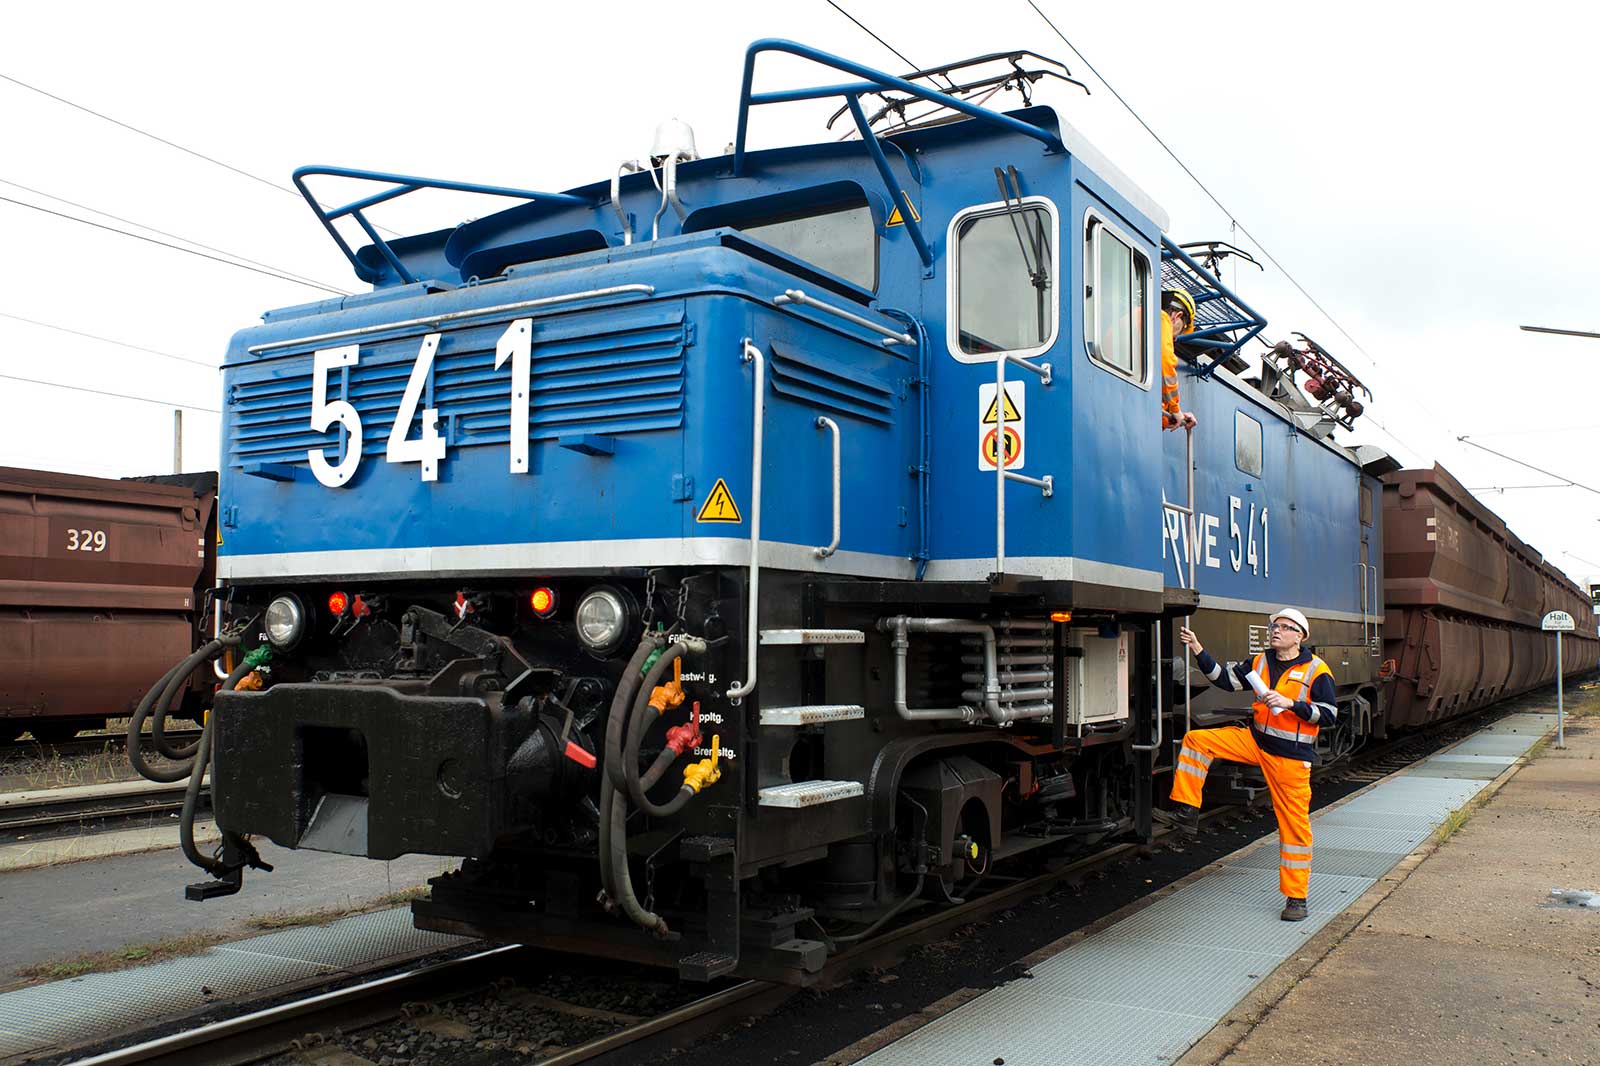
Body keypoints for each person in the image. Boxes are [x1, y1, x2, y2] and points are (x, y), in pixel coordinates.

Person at [1160, 608, 1337, 921]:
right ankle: (1187, 808)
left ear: (1300, 636)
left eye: (1284, 627)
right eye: (1274, 626)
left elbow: (1329, 715)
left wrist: (1291, 704)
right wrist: (1198, 649)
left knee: (1294, 828)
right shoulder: (1259, 661)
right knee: (1197, 741)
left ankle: (1297, 898)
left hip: (1291, 758)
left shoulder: (1317, 670)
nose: (1275, 631)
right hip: (1256, 742)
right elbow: (1225, 681)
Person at [1161, 289, 1198, 431]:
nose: (1175, 339)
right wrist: (1175, 409)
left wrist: (1173, 416)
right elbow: (1165, 360)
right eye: (1180, 330)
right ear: (1177, 316)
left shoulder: (1135, 317)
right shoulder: (1162, 318)